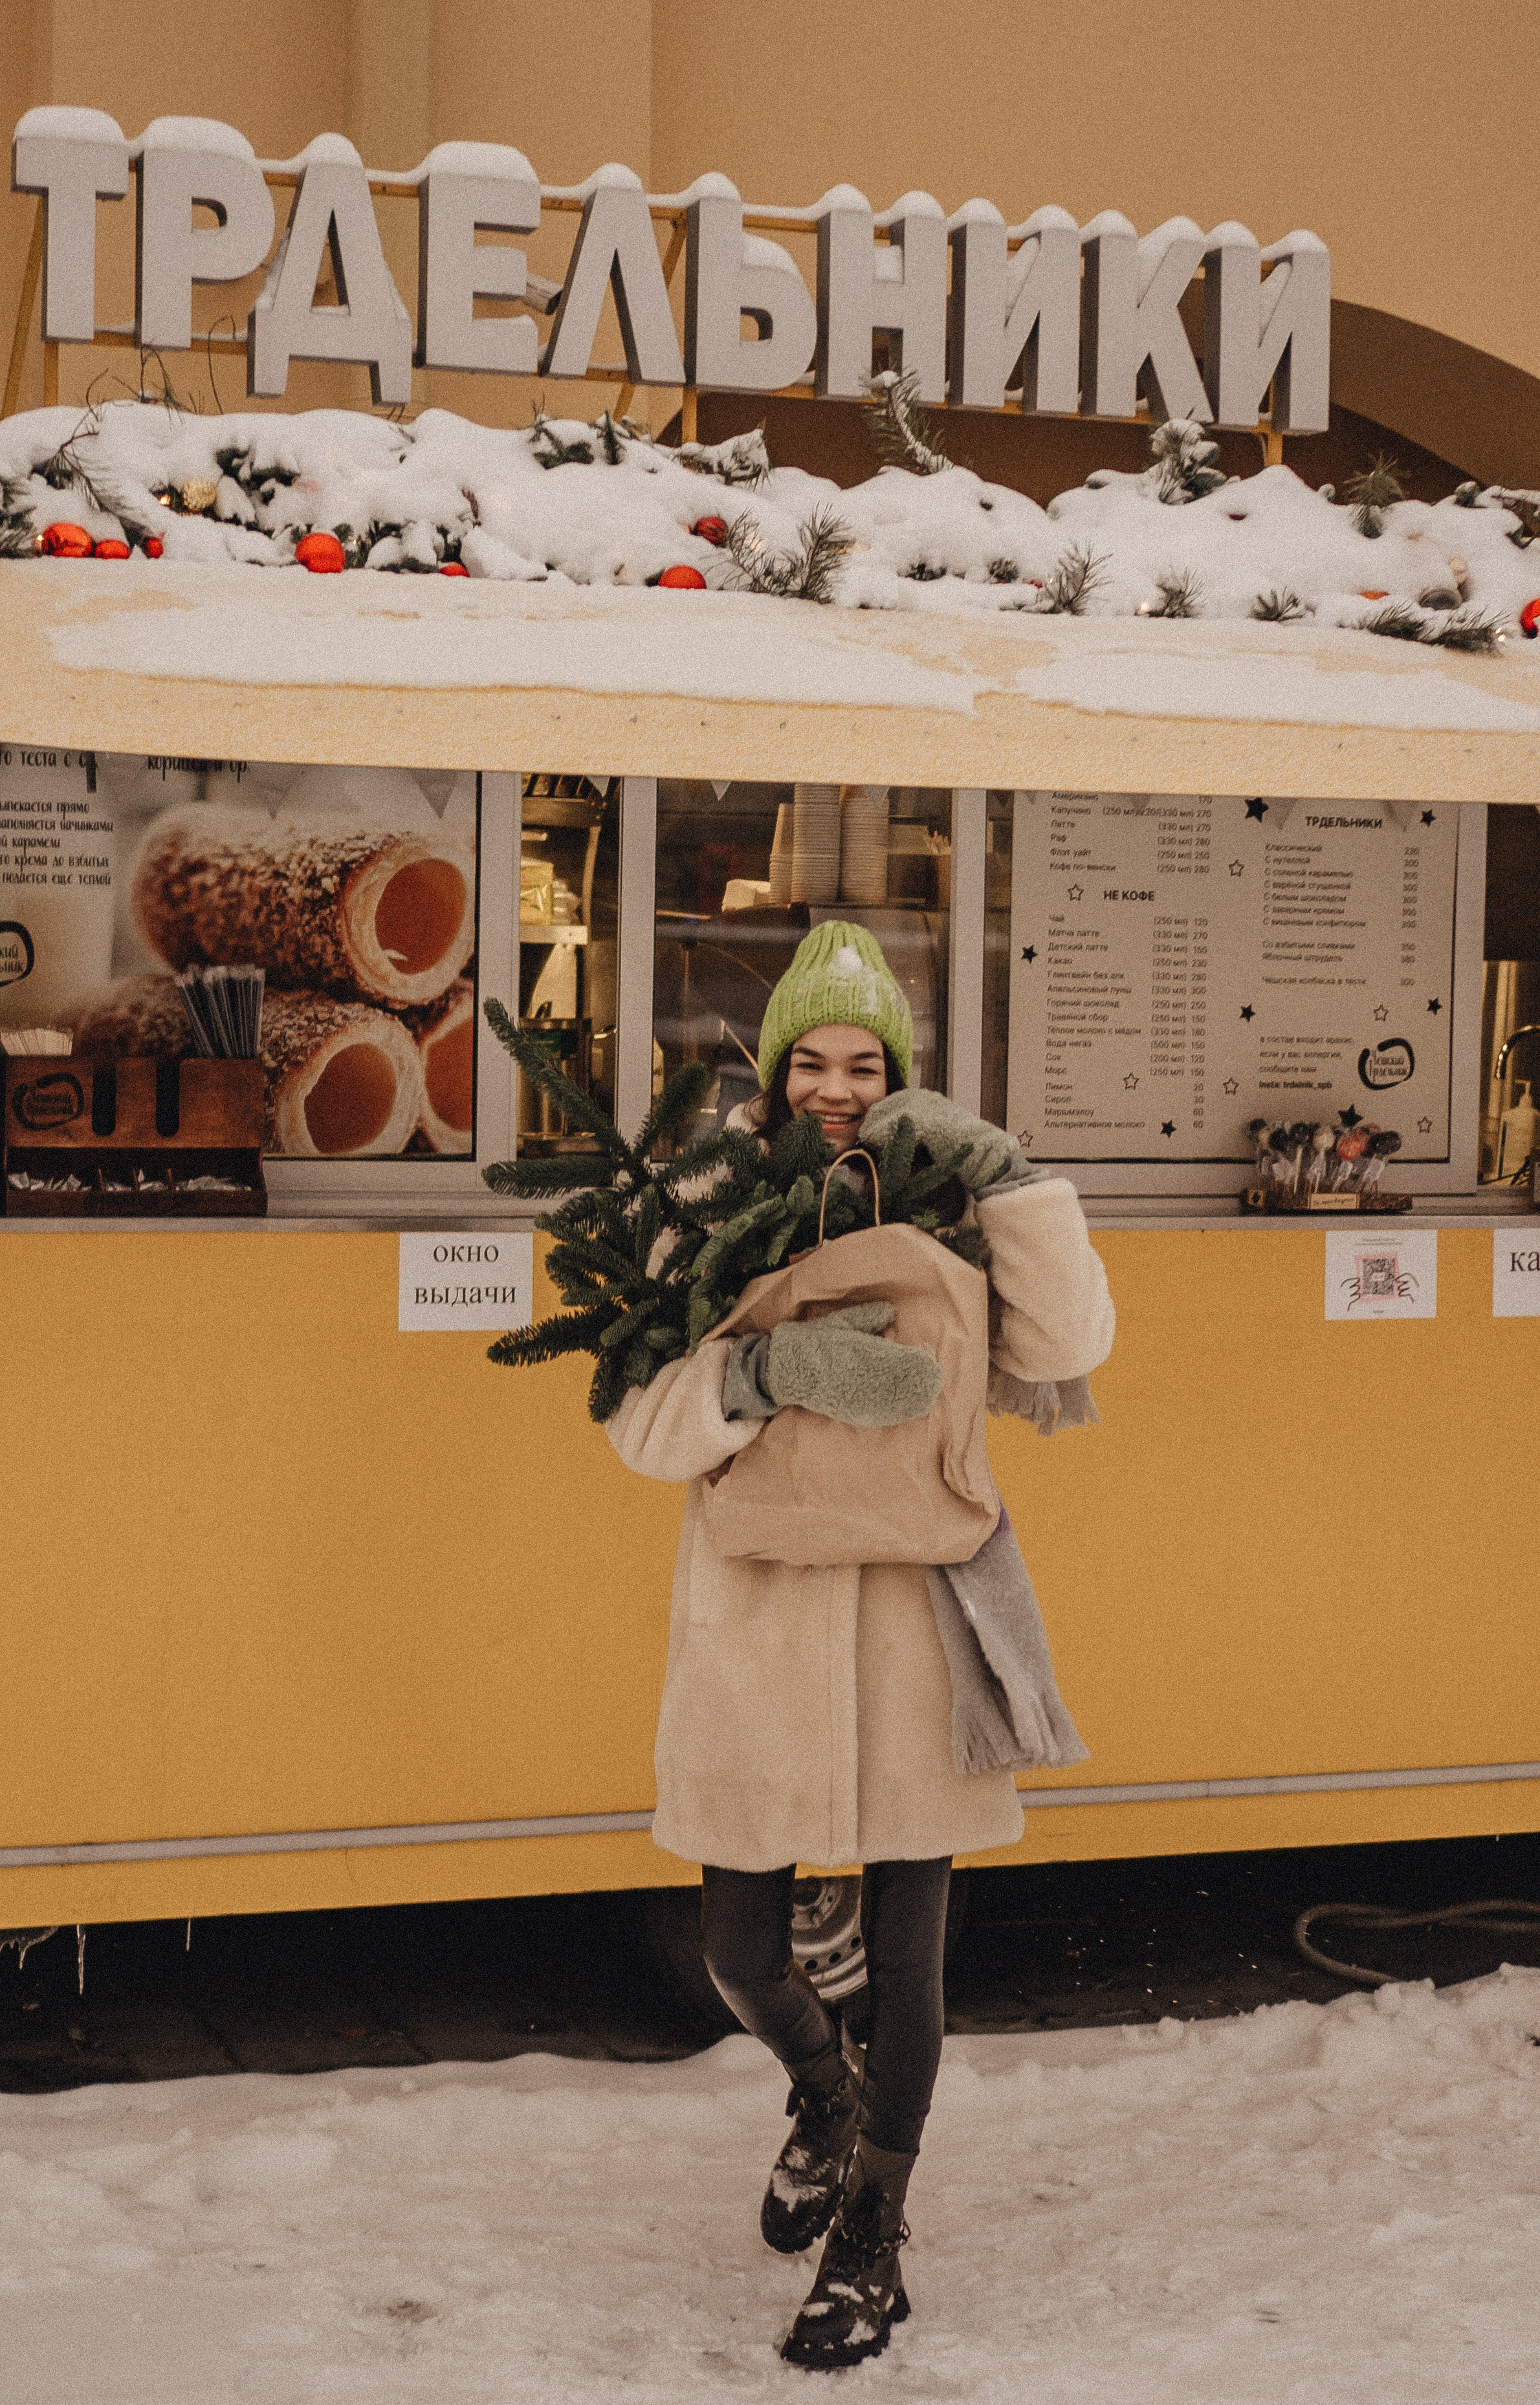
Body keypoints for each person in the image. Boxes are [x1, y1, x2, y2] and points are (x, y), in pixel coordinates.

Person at [606, 921, 1114, 2369]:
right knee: (740, 1946)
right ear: (772, 1076)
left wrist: (1008, 1176)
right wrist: (759, 1368)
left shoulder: (960, 1214)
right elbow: (642, 1428)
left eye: (866, 1061)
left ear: (903, 1075)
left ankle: (870, 2241)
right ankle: (822, 2097)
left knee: (909, 1951)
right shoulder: (705, 1211)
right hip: (755, 1616)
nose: (836, 1085)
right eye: (811, 1060)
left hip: (916, 1618)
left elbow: (1069, 1345)